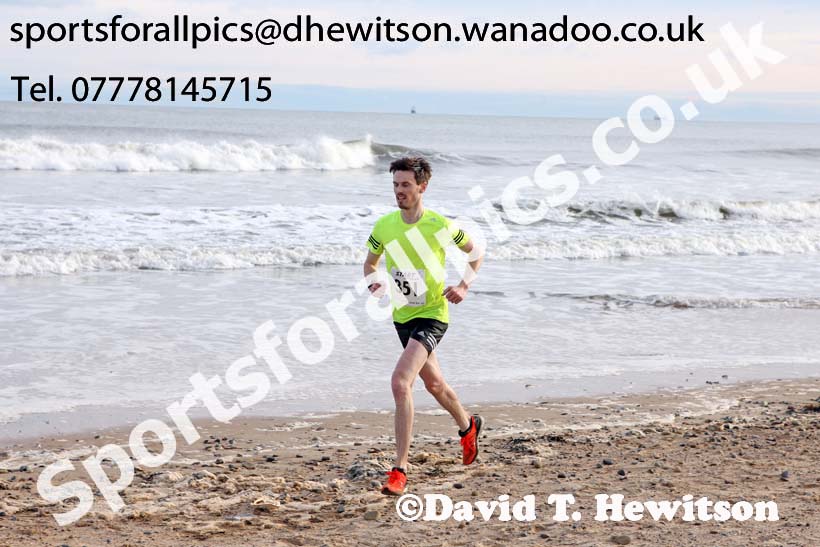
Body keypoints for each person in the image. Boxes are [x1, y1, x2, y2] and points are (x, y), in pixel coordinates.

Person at [363, 156, 484, 496]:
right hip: (402, 317)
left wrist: (463, 285)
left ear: (422, 187)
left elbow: (476, 253)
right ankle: (468, 426)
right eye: (395, 185)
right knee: (434, 385)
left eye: (405, 185)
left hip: (433, 314)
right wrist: (373, 282)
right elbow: (370, 263)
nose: (399, 191)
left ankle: (399, 470)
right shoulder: (384, 226)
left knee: (401, 383)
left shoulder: (440, 225)